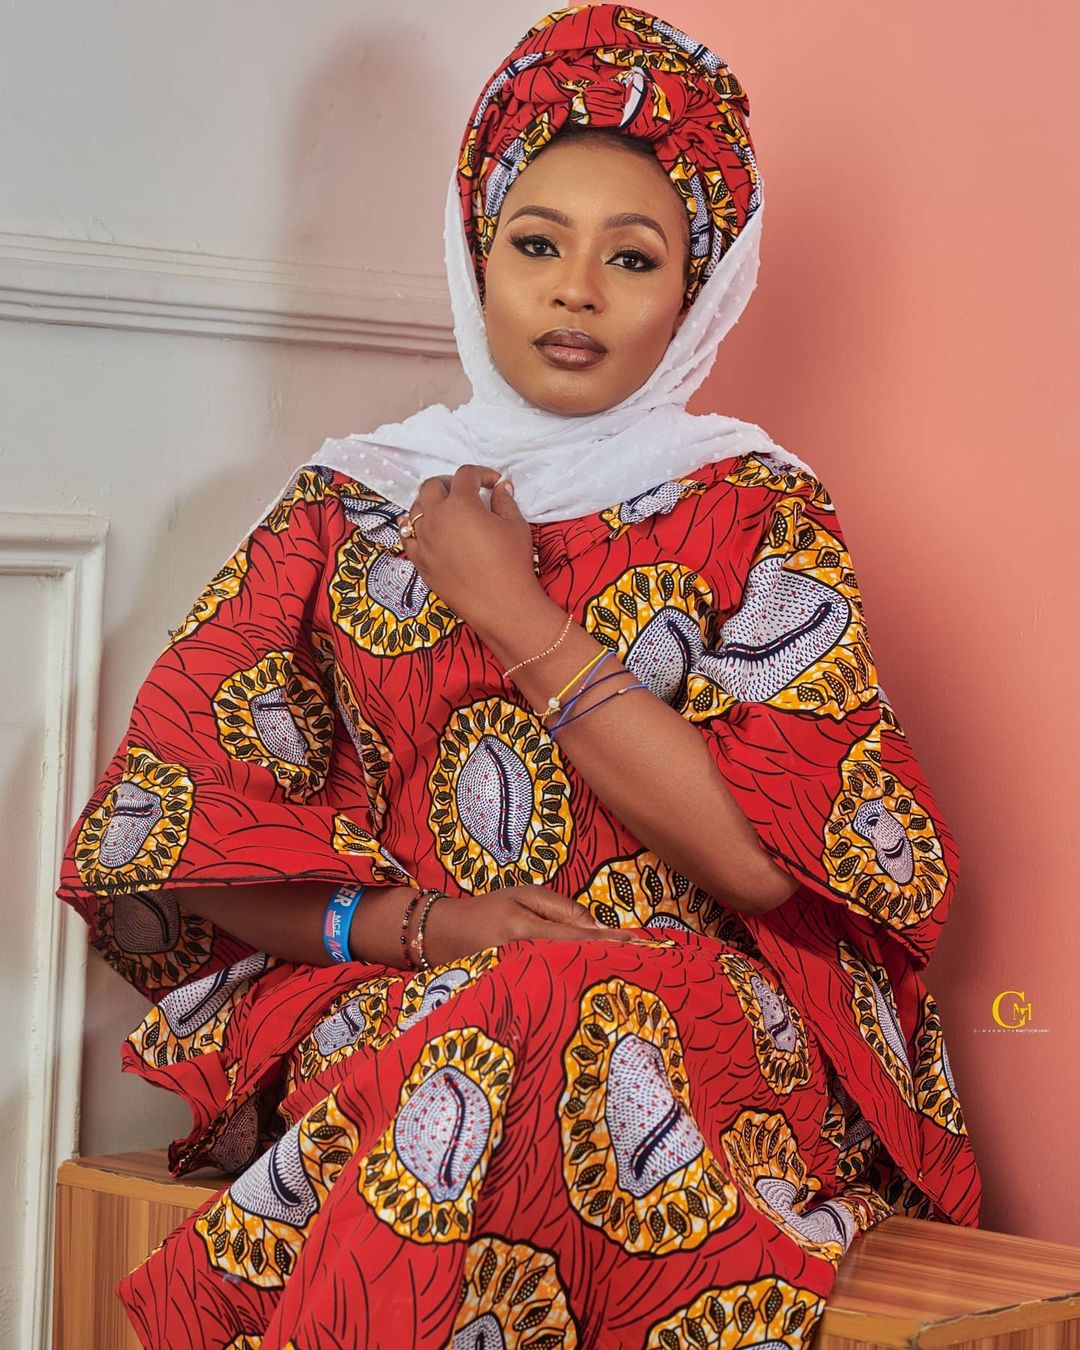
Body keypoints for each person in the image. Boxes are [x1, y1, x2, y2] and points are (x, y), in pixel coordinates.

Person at [56, 6, 983, 1346]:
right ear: (476, 251)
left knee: (562, 1012)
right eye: (537, 243)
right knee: (487, 1030)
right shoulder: (353, 501)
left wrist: (507, 607)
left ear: (699, 290)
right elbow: (188, 836)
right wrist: (438, 930)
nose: (576, 291)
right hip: (406, 999)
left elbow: (757, 865)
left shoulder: (753, 507)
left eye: (634, 257)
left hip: (691, 1033)